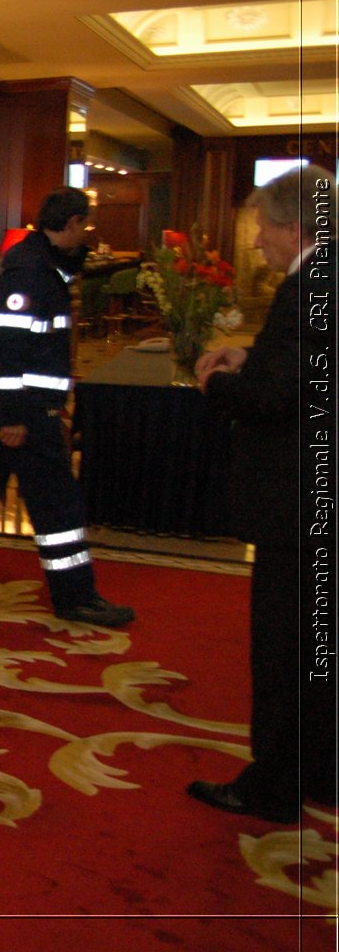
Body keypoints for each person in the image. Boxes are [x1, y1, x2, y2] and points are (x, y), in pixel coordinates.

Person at [0, 186, 135, 628]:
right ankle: (76, 597)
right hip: (25, 415)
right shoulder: (29, 272)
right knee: (58, 507)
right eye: (83, 227)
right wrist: (13, 417)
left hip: (22, 409)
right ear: (70, 223)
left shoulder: (39, 265)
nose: (85, 235)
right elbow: (7, 350)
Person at [187, 164, 336, 823]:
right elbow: (304, 370)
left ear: (291, 225)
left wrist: (216, 387)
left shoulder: (309, 288)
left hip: (296, 503)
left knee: (284, 650)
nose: (255, 245)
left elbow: (278, 399)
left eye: (260, 230)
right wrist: (253, 356)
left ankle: (272, 786)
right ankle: (323, 773)